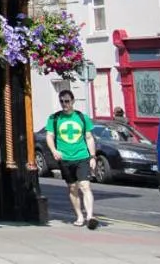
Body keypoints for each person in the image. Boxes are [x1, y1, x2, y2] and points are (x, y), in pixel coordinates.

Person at [46, 89, 99, 229]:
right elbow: (49, 136)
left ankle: (90, 216)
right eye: (62, 101)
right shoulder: (54, 118)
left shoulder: (82, 117)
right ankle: (79, 216)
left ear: (73, 101)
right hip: (65, 158)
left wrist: (93, 156)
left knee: (85, 186)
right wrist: (54, 151)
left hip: (82, 156)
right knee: (73, 188)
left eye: (67, 101)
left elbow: (89, 137)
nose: (64, 104)